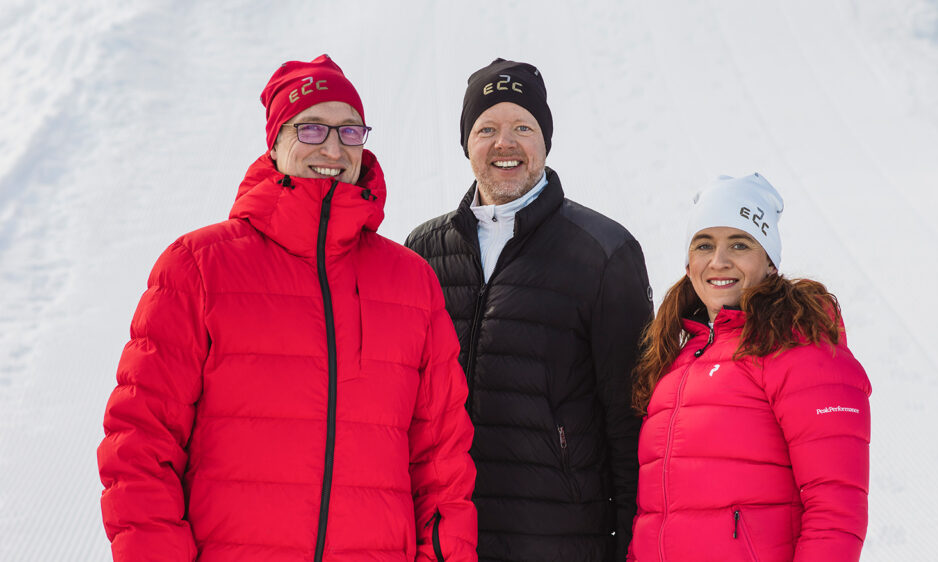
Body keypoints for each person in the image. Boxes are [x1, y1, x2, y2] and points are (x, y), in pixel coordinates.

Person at [97, 54, 477, 562]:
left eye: (350, 131)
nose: (334, 148)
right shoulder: (199, 268)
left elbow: (442, 462)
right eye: (311, 128)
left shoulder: (411, 282)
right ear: (275, 143)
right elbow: (139, 445)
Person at [405, 58, 652, 561]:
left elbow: (631, 423)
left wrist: (631, 547)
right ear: (466, 143)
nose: (505, 143)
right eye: (487, 129)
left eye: (523, 127)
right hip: (444, 540)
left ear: (545, 141)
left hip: (560, 541)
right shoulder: (422, 252)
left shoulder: (604, 252)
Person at [626, 174, 871, 561]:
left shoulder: (801, 352)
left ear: (770, 261)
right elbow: (653, 516)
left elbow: (836, 512)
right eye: (704, 244)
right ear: (688, 264)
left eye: (739, 244)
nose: (718, 261)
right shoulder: (676, 364)